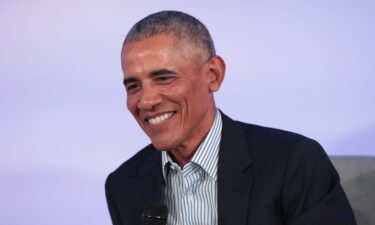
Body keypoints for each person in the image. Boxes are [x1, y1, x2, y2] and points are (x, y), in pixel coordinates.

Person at [105, 10, 357, 225]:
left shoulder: (294, 162)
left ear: (213, 75)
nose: (146, 101)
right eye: (133, 86)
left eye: (163, 78)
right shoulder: (123, 186)